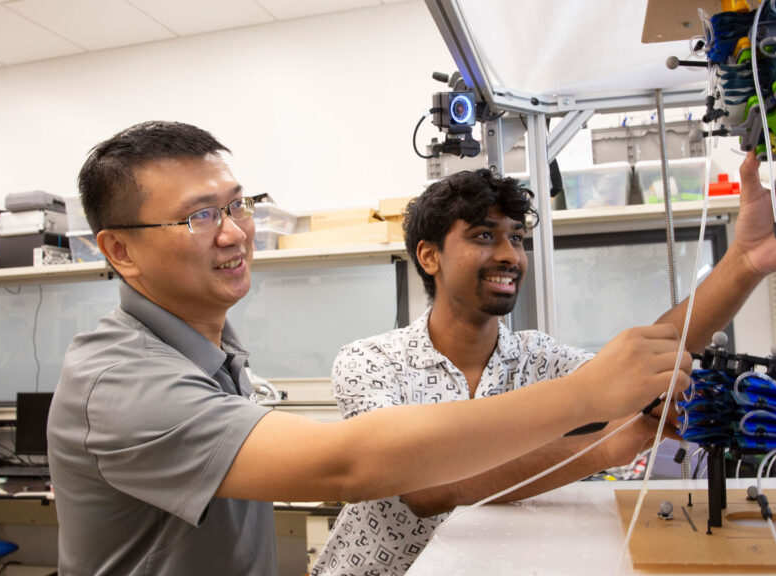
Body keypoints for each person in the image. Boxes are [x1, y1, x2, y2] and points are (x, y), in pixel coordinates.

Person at [46, 121, 692, 576]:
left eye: (238, 205)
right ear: (120, 251)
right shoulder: (124, 382)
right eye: (199, 216)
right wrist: (589, 406)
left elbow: (657, 361)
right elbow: (352, 467)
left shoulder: (214, 355)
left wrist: (743, 263)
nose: (235, 232)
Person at [312, 160, 776, 576]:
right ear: (429, 257)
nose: (509, 255)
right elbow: (424, 486)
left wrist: (744, 262)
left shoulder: (538, 359)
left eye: (516, 239)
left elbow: (644, 363)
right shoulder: (371, 361)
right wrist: (607, 445)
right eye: (484, 235)